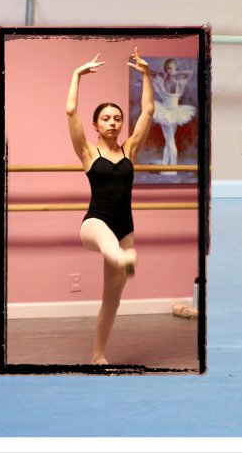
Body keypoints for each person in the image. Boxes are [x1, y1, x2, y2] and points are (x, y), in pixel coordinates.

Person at [65, 48, 154, 363]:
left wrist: (147, 75)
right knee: (109, 245)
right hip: (95, 224)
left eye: (117, 118)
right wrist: (77, 75)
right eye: (106, 118)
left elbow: (148, 112)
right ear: (96, 125)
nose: (113, 123)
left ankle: (98, 355)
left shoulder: (131, 151)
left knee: (112, 301)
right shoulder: (88, 153)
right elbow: (71, 111)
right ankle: (123, 258)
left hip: (125, 228)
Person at [151, 57, 196, 174]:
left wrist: (176, 72)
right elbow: (149, 71)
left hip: (172, 113)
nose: (168, 70)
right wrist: (161, 73)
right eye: (166, 68)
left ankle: (173, 168)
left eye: (170, 68)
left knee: (170, 141)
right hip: (166, 112)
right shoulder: (162, 80)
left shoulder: (178, 82)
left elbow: (190, 72)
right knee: (169, 141)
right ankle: (165, 166)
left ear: (175, 69)